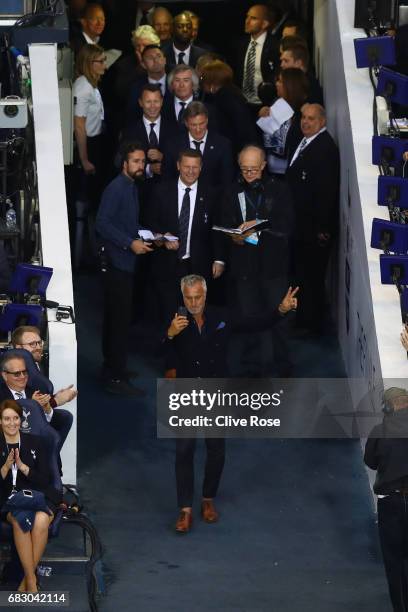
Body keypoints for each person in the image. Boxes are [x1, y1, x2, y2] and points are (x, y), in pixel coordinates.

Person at [165, 274, 298, 532]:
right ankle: (185, 509)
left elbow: (254, 324)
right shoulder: (175, 320)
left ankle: (207, 500)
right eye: (188, 298)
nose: (193, 303)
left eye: (198, 297)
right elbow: (157, 350)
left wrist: (280, 311)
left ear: (205, 294)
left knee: (216, 449)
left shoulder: (221, 316)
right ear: (183, 297)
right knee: (184, 450)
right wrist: (169, 334)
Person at [221, 145, 294, 376]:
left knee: (279, 317)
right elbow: (224, 220)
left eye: (253, 169)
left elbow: (286, 227)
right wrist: (234, 234)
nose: (249, 174)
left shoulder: (280, 190)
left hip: (273, 266)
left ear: (263, 165)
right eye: (244, 169)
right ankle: (253, 366)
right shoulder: (231, 191)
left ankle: (282, 366)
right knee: (249, 316)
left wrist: (255, 232)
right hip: (244, 266)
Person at [95, 142, 153, 396]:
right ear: (125, 164)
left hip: (124, 261)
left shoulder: (130, 187)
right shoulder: (118, 188)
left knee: (115, 319)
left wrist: (153, 236)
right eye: (136, 162)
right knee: (119, 322)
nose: (141, 166)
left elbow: (125, 222)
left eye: (143, 162)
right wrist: (131, 243)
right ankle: (116, 377)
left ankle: (111, 368)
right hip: (118, 263)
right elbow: (102, 224)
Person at [147, 149, 224, 324]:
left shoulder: (211, 194)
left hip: (197, 264)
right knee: (167, 310)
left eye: (195, 167)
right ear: (178, 166)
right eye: (186, 166)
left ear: (201, 167)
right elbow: (150, 221)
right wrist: (162, 236)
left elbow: (217, 229)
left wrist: (219, 259)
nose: (191, 171)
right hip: (166, 262)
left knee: (195, 313)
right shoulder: (161, 190)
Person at [286, 103, 340, 333]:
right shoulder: (304, 139)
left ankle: (309, 326)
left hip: (313, 230)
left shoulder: (325, 148)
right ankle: (302, 321)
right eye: (303, 117)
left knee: (311, 279)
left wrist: (322, 230)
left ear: (323, 122)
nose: (305, 122)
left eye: (311, 119)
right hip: (299, 226)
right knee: (302, 276)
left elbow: (326, 193)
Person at [0, 400, 61, 593]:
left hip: (37, 496)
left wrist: (24, 467)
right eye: (6, 419)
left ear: (21, 419)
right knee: (20, 520)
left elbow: (45, 480)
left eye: (15, 418)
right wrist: (6, 467)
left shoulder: (35, 442)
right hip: (9, 501)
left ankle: (26, 581)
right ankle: (31, 581)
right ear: (0, 421)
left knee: (42, 519)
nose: (12, 423)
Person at [364, 387, 408, 612]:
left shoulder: (379, 430)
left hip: (390, 503)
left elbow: (370, 461)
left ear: (387, 407)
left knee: (394, 562)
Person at [11, 326, 75, 456]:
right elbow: (16, 411)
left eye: (39, 343)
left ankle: (48, 465)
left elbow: (37, 403)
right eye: (32, 344)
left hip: (30, 421)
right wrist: (56, 401)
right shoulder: (12, 373)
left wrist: (55, 397)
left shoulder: (36, 368)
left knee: (64, 418)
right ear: (18, 348)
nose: (38, 347)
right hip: (13, 427)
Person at [73, 43, 107, 268]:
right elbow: (79, 126)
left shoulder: (92, 85)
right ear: (89, 63)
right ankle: (83, 255)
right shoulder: (83, 88)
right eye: (100, 61)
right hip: (90, 147)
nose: (104, 65)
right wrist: (84, 159)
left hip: (97, 142)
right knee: (87, 201)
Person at [161, 101, 234, 194]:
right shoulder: (172, 145)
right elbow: (167, 179)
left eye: (201, 123)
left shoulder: (223, 145)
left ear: (207, 120)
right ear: (186, 123)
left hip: (213, 201)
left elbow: (227, 181)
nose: (198, 129)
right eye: (193, 125)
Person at [199, 60, 261, 156]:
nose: (201, 81)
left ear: (212, 81)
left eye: (203, 78)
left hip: (234, 150)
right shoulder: (233, 92)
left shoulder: (224, 98)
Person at [258, 68, 308, 176]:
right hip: (270, 168)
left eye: (280, 81)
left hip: (288, 172)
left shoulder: (302, 112)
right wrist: (262, 115)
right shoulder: (276, 103)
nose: (276, 84)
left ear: (290, 86)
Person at [234, 5, 280, 112]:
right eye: (247, 17)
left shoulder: (275, 46)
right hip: (243, 104)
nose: (247, 21)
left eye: (253, 18)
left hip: (266, 107)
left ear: (265, 24)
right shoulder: (241, 44)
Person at [113, 25, 161, 110]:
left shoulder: (163, 62)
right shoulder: (123, 65)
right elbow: (121, 95)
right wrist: (140, 70)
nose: (141, 49)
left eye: (145, 45)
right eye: (138, 46)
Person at [125, 45, 170, 126]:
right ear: (143, 64)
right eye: (150, 58)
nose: (155, 60)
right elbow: (131, 116)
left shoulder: (175, 83)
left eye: (159, 56)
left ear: (165, 60)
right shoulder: (136, 88)